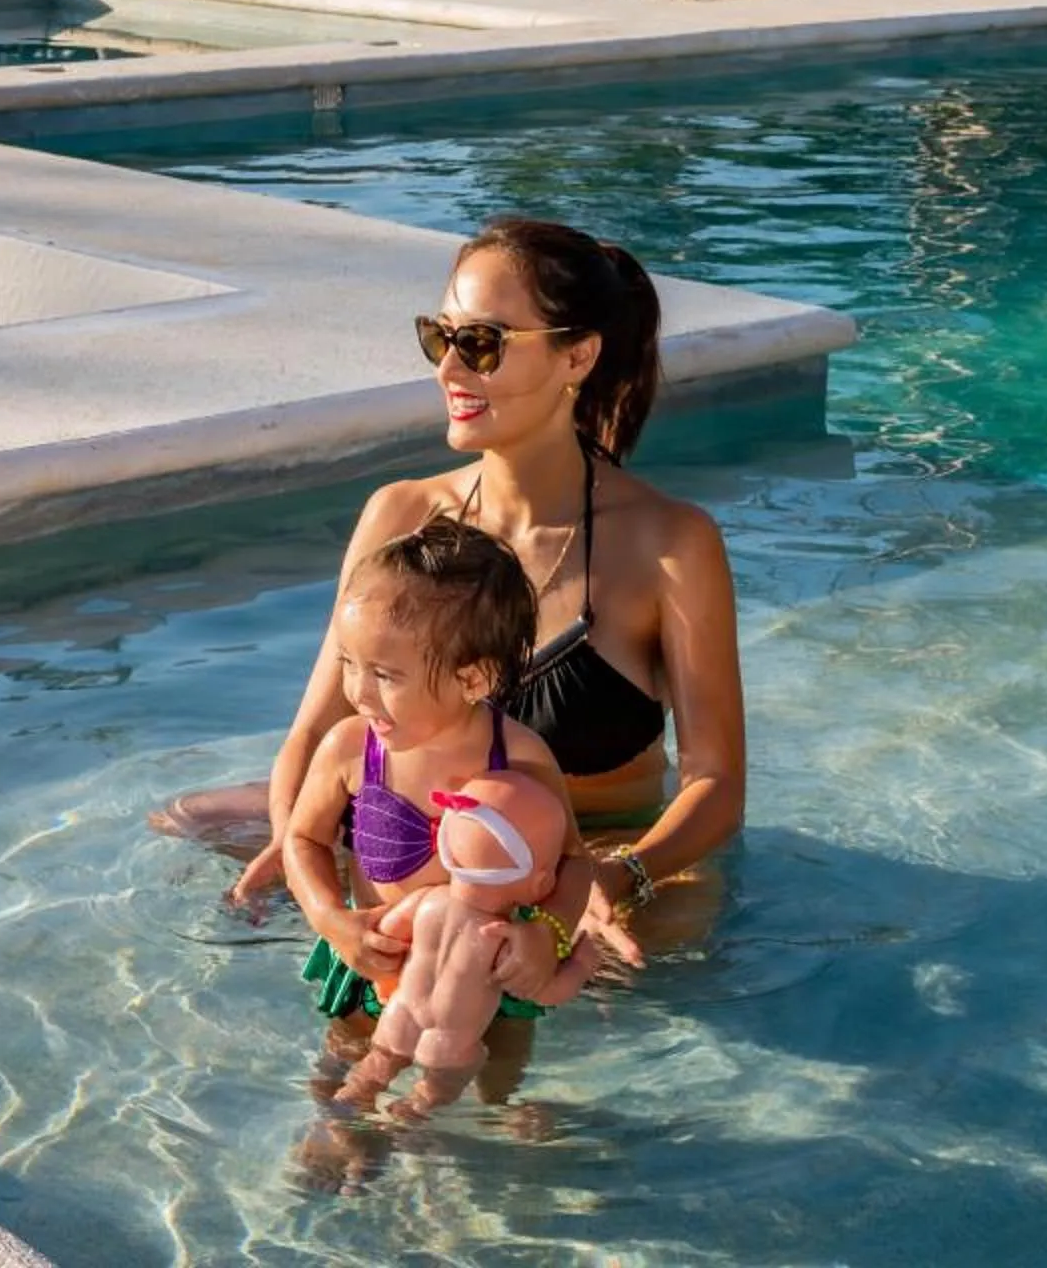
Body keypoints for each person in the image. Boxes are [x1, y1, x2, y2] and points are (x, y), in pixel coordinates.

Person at [172, 214, 747, 988]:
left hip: (586, 853)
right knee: (189, 819)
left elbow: (716, 784)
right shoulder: (402, 515)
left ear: (578, 355)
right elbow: (317, 728)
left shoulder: (668, 544)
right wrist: (295, 848)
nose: (448, 368)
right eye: (438, 338)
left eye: (480, 343)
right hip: (414, 837)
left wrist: (618, 877)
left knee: (608, 975)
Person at [278, 518, 586, 1112]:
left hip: (487, 980)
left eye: (384, 675)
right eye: (348, 663)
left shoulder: (519, 755)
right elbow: (304, 839)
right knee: (341, 1089)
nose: (358, 691)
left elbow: (574, 862)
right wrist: (331, 919)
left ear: (474, 677)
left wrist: (547, 936)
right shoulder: (351, 746)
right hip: (376, 965)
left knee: (500, 1094)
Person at [329, 766, 591, 1116]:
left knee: (374, 1068)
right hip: (449, 1044)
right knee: (433, 1093)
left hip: (398, 1017)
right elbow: (541, 991)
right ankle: (408, 1117)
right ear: (541, 883)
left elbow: (386, 933)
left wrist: (387, 980)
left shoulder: (426, 901)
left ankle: (350, 1104)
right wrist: (580, 965)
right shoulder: (500, 937)